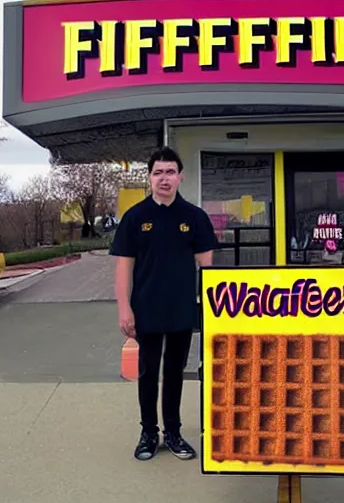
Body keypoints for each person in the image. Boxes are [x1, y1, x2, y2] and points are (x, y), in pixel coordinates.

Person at [110, 147, 219, 461]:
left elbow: (208, 268)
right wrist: (124, 308)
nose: (164, 178)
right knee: (148, 373)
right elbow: (123, 267)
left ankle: (173, 432)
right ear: (149, 178)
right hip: (146, 310)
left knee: (174, 372)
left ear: (180, 176)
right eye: (158, 172)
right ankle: (148, 433)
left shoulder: (195, 218)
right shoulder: (136, 218)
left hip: (182, 310)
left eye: (170, 172)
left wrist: (213, 309)